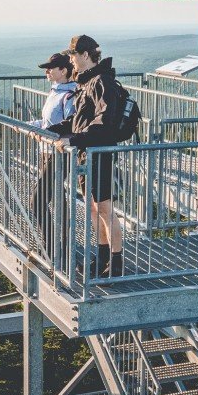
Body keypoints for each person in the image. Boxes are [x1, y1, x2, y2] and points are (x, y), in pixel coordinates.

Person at [48, 35, 123, 277]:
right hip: (86, 153)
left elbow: (104, 123)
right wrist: (55, 130)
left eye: (72, 55)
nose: (70, 60)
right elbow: (78, 121)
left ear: (85, 55)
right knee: (93, 208)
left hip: (99, 152)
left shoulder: (102, 82)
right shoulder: (86, 82)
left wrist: (74, 139)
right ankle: (102, 259)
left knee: (104, 208)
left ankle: (116, 263)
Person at [28, 53, 77, 254]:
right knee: (59, 197)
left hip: (59, 153)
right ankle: (63, 244)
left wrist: (44, 133)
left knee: (37, 201)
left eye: (51, 67)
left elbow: (70, 125)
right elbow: (48, 123)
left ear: (64, 70)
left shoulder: (70, 94)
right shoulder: (55, 92)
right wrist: (28, 126)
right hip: (47, 151)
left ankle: (52, 247)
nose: (47, 71)